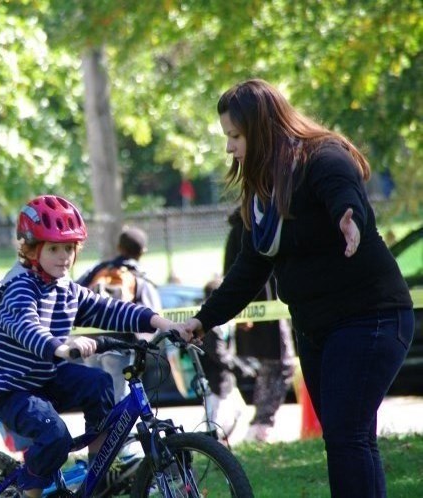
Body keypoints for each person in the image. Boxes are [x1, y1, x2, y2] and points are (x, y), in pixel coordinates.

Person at [174, 79, 413, 497]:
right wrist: (203, 319)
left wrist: (349, 217)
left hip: (370, 317)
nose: (230, 148)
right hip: (316, 327)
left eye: (235, 136)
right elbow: (249, 270)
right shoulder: (262, 194)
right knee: (348, 438)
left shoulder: (322, 157)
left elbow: (343, 191)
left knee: (346, 436)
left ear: (262, 129)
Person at [0, 194, 183, 497]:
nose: (64, 256)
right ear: (32, 250)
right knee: (54, 434)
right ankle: (29, 493)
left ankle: (97, 473)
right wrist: (59, 347)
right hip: (10, 388)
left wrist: (161, 323)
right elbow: (25, 326)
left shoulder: (66, 288)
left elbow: (110, 309)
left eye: (69, 249)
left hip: (45, 376)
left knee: (100, 384)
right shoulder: (20, 287)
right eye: (53, 248)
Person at [224, 207, 297, 442]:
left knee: (277, 365)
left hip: (275, 306)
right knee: (279, 363)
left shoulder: (269, 220)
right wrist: (241, 311)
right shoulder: (243, 228)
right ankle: (261, 424)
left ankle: (260, 424)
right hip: (260, 309)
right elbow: (232, 271)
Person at [76, 226, 162, 403]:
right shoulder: (140, 277)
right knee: (120, 397)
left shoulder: (98, 269)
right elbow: (153, 317)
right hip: (119, 345)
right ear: (142, 252)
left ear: (119, 247)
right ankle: (121, 431)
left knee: (95, 396)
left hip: (89, 342)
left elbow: (75, 295)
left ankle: (99, 429)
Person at [197, 278, 255, 439]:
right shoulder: (209, 325)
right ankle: (210, 449)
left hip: (226, 381)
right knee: (213, 423)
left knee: (238, 414)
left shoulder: (220, 319)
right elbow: (219, 354)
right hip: (215, 382)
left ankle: (220, 447)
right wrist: (241, 367)